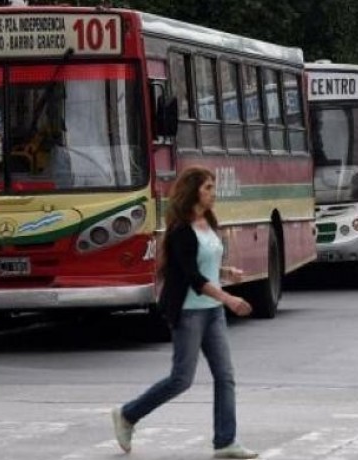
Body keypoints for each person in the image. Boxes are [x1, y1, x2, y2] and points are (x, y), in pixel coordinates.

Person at [111, 166, 258, 459]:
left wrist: (227, 272)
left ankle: (225, 442)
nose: (213, 193)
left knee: (225, 376)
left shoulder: (209, 222)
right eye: (208, 188)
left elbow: (206, 266)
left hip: (212, 311)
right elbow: (194, 278)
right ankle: (128, 414)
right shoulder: (181, 231)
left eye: (213, 187)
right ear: (193, 192)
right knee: (181, 379)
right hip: (190, 312)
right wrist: (229, 298)